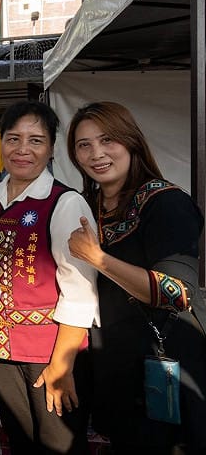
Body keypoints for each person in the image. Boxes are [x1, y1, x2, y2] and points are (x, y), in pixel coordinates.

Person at [66, 101, 206, 454]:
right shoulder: (86, 206)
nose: (96, 153)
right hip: (116, 368)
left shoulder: (166, 202)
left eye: (107, 140)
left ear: (131, 142)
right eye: (84, 145)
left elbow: (178, 293)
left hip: (166, 368)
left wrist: (99, 258)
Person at [0, 101, 99, 454]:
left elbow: (80, 289)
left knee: (57, 444)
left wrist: (62, 366)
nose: (22, 150)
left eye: (35, 141)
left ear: (50, 149)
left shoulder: (64, 203)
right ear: (1, 142)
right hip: (1, 349)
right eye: (13, 139)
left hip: (52, 353)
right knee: (18, 443)